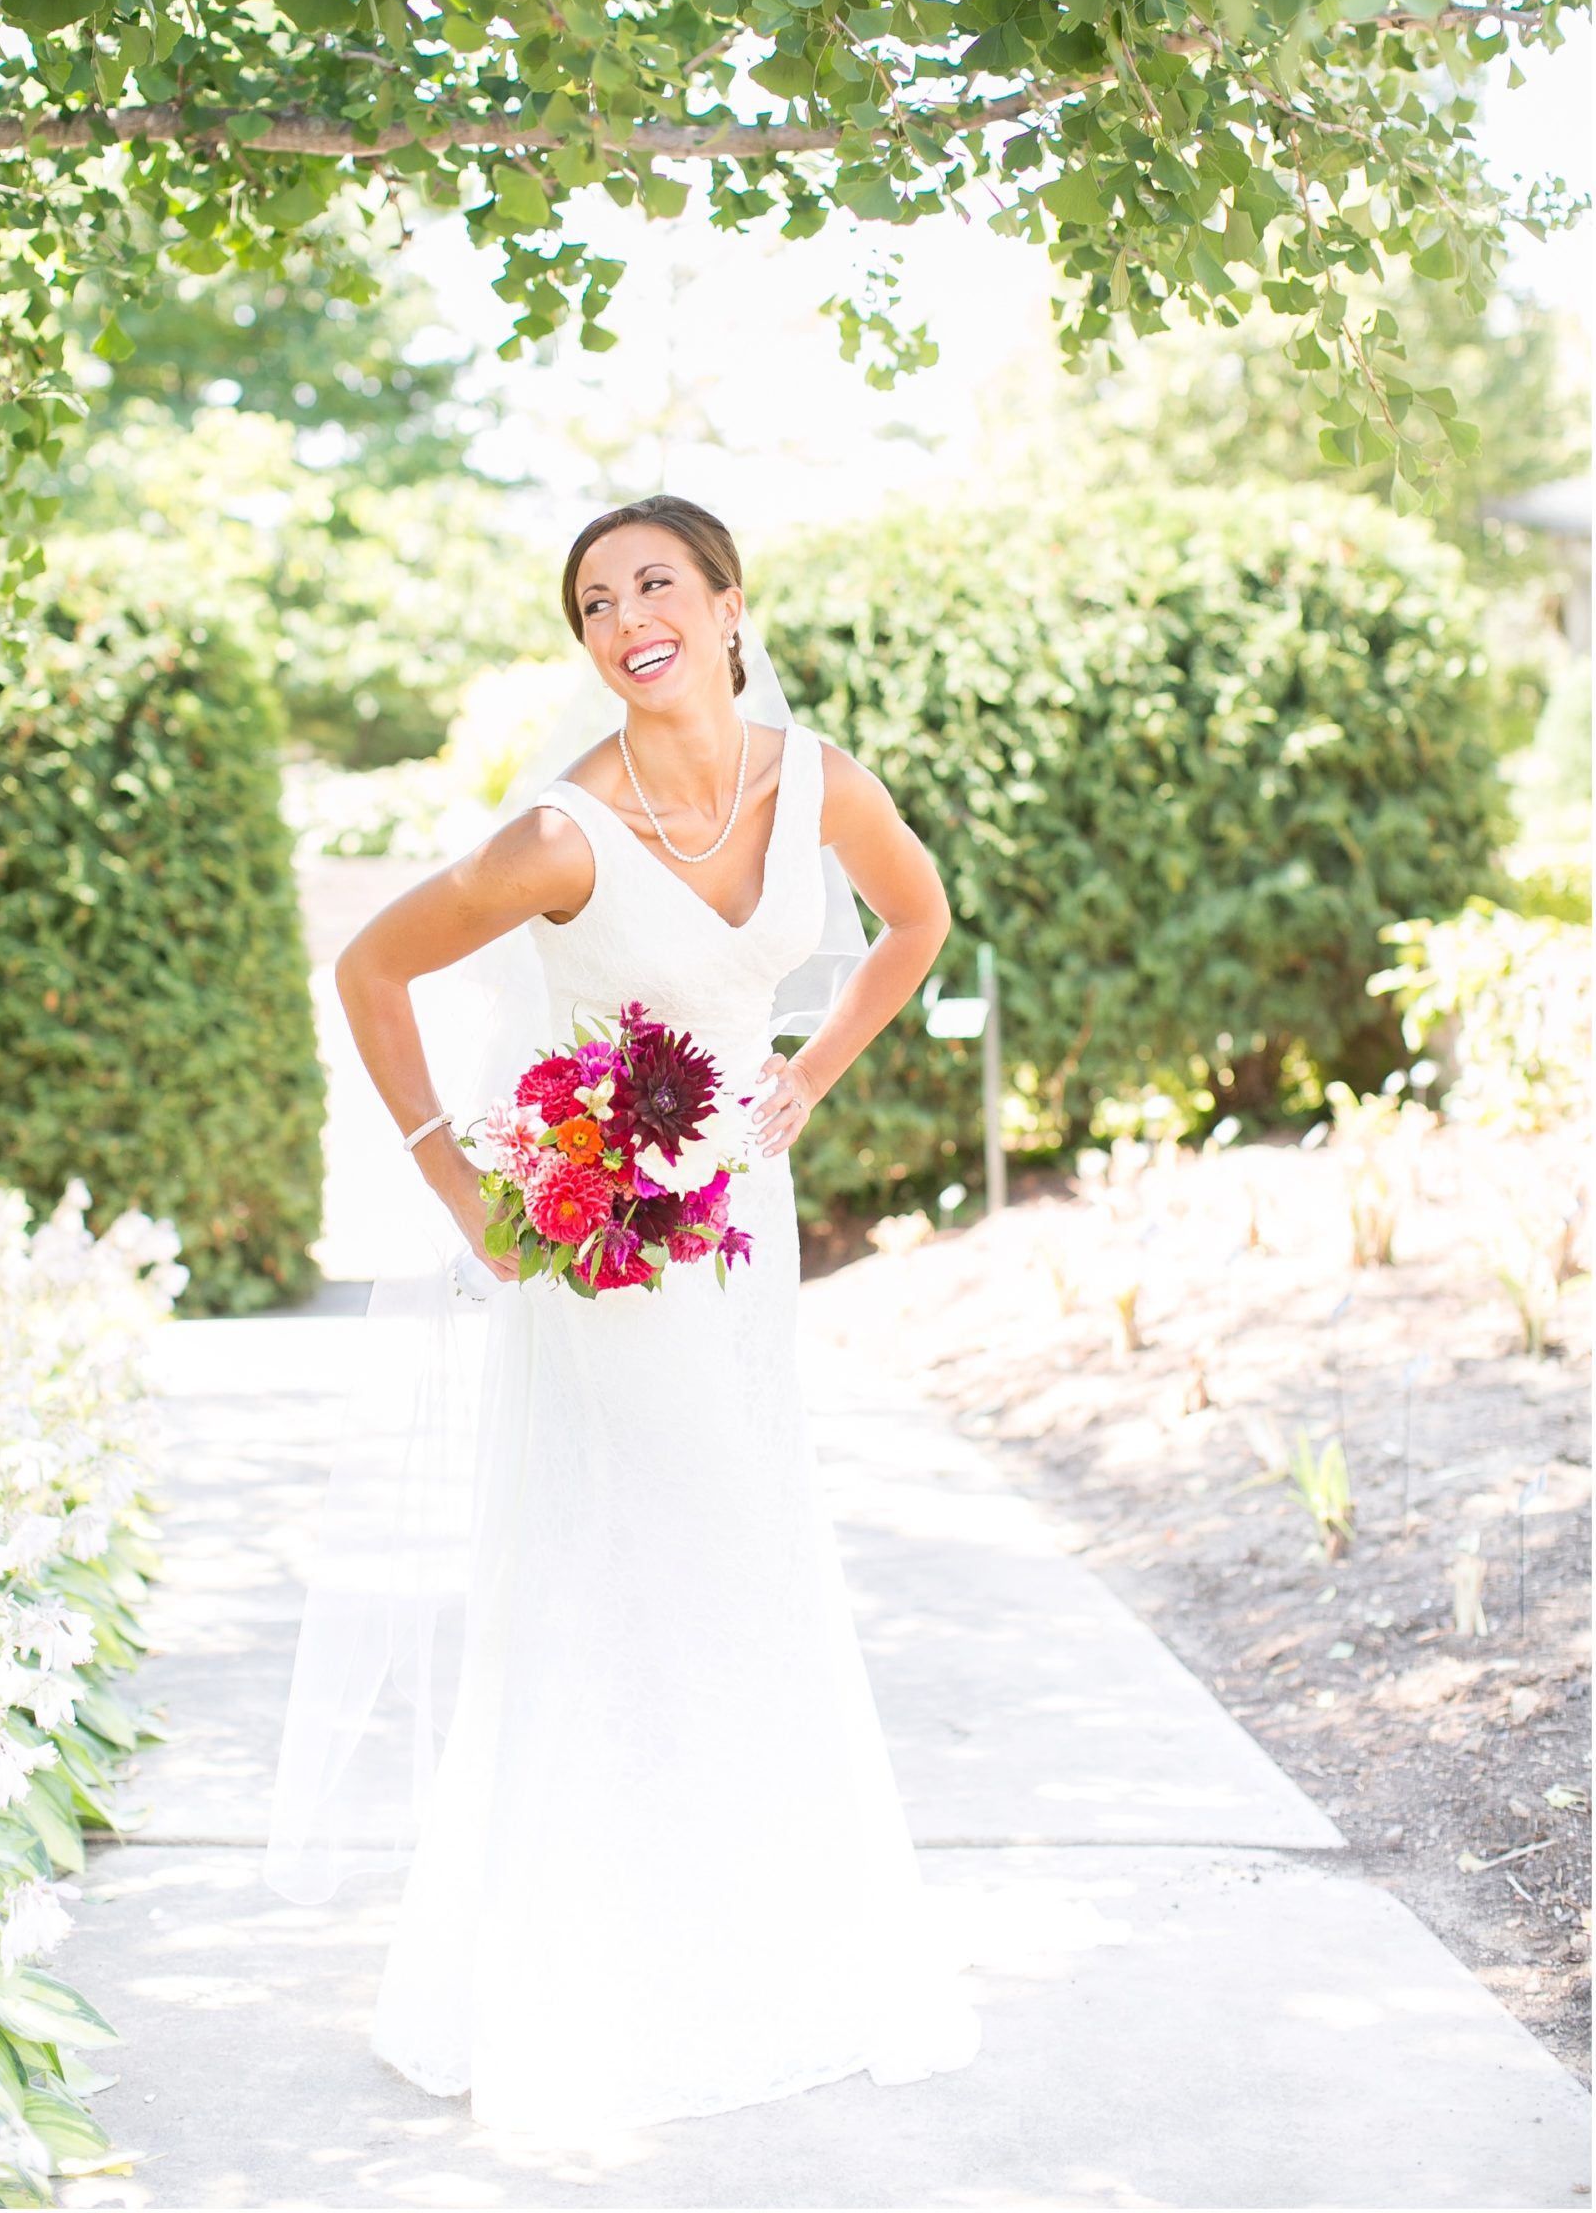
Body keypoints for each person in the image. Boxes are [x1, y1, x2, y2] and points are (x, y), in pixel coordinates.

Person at [301, 495, 980, 2133]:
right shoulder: (559, 833)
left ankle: (747, 1952)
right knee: (637, 1560)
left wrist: (809, 1071)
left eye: (654, 584)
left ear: (731, 602)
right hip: (604, 1250)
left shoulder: (818, 782)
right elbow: (374, 972)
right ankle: (584, 1978)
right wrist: (457, 1183)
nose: (626, 619)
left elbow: (917, 920)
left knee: (747, 1551)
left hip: (743, 1218)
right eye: (595, 603)